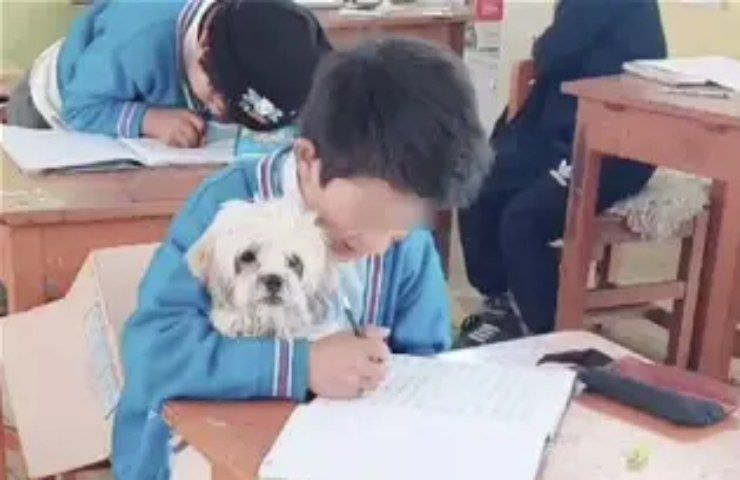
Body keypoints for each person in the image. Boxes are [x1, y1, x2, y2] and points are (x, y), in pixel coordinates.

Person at [112, 37, 491, 479]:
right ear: (308, 159)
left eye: (403, 223)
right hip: (201, 452)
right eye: (369, 215)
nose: (381, 241)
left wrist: (380, 368)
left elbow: (426, 362)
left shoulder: (406, 244)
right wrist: (302, 366)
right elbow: (153, 353)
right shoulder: (227, 209)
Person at [457, 0, 667, 345]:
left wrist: (545, 46)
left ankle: (544, 333)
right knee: (476, 182)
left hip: (612, 146)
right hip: (556, 138)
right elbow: (552, 56)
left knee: (524, 217)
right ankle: (500, 300)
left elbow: (553, 51)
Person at [6, 0, 331, 147]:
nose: (219, 113)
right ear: (203, 46)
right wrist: (149, 120)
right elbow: (80, 107)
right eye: (217, 98)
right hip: (53, 104)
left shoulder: (277, 26)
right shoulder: (138, 43)